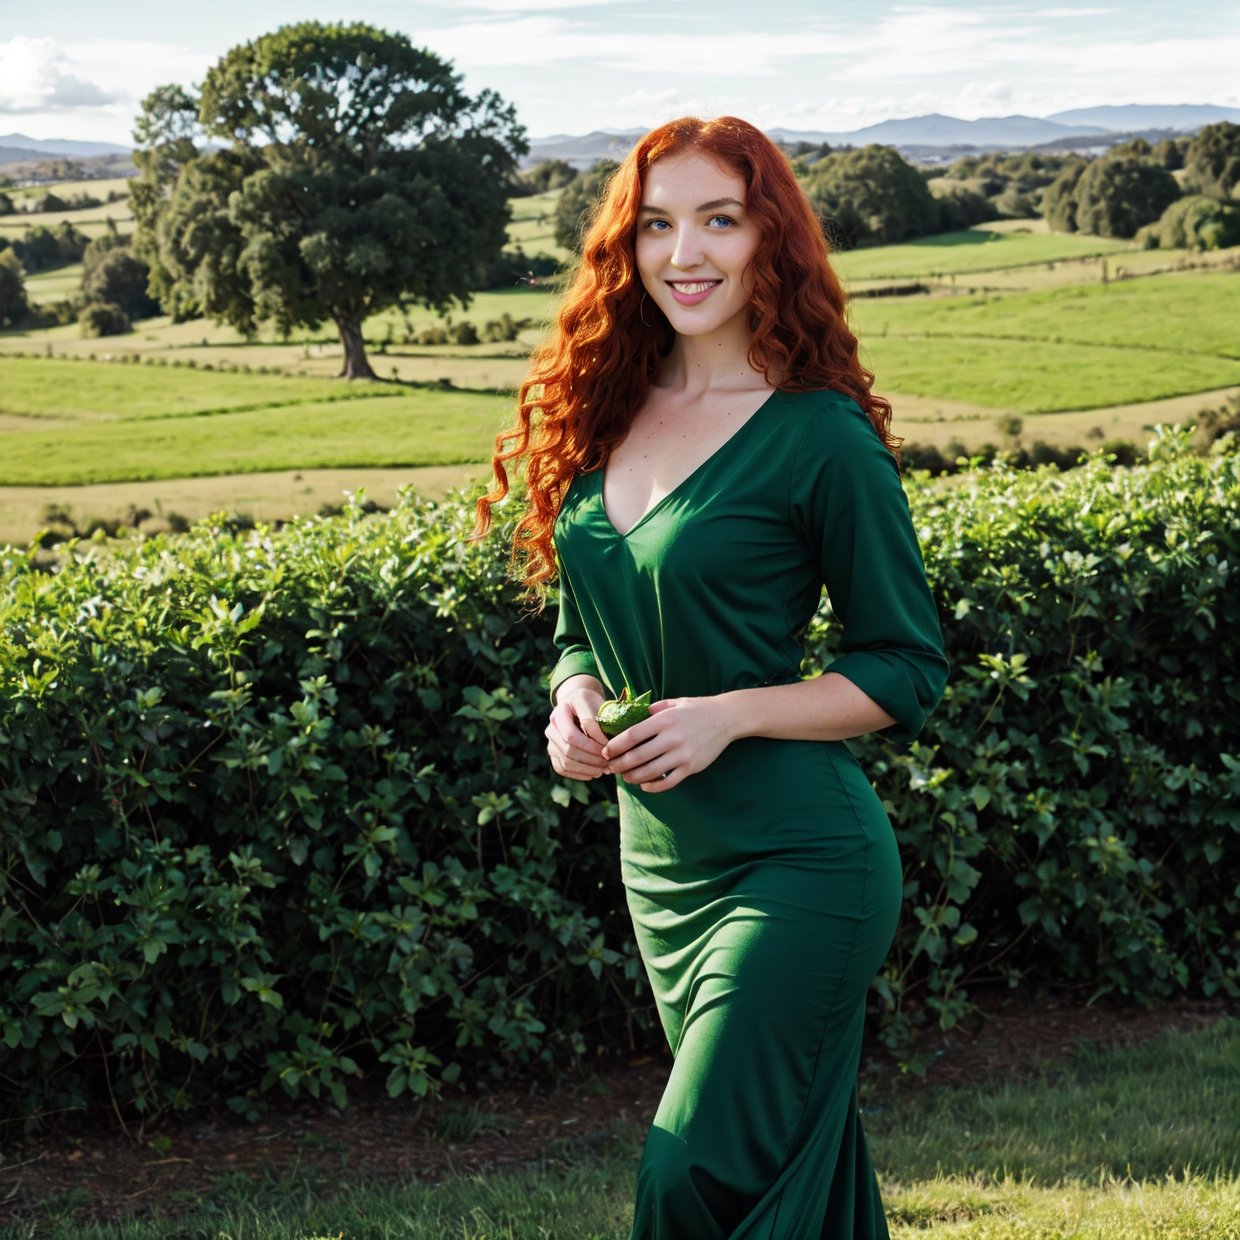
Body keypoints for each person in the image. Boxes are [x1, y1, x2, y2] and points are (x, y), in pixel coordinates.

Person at [474, 115, 948, 1239]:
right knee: (790, 1172)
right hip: (662, 869)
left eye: (718, 221)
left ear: (767, 241)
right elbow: (587, 624)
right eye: (655, 224)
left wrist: (729, 716)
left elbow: (903, 664)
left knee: (689, 1175)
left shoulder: (818, 434)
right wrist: (570, 694)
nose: (683, 253)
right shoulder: (602, 411)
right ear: (623, 248)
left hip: (800, 864)